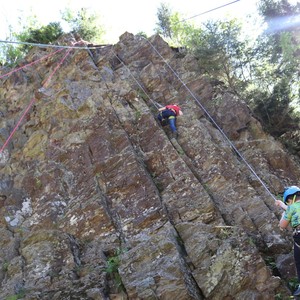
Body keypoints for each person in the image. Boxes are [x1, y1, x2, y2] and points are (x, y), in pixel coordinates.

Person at [276, 186, 300, 296]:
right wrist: (282, 205)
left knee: (298, 261)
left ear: (292, 199)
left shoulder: (291, 208)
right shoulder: (293, 207)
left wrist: (283, 216)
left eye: (288, 202)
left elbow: (282, 225)